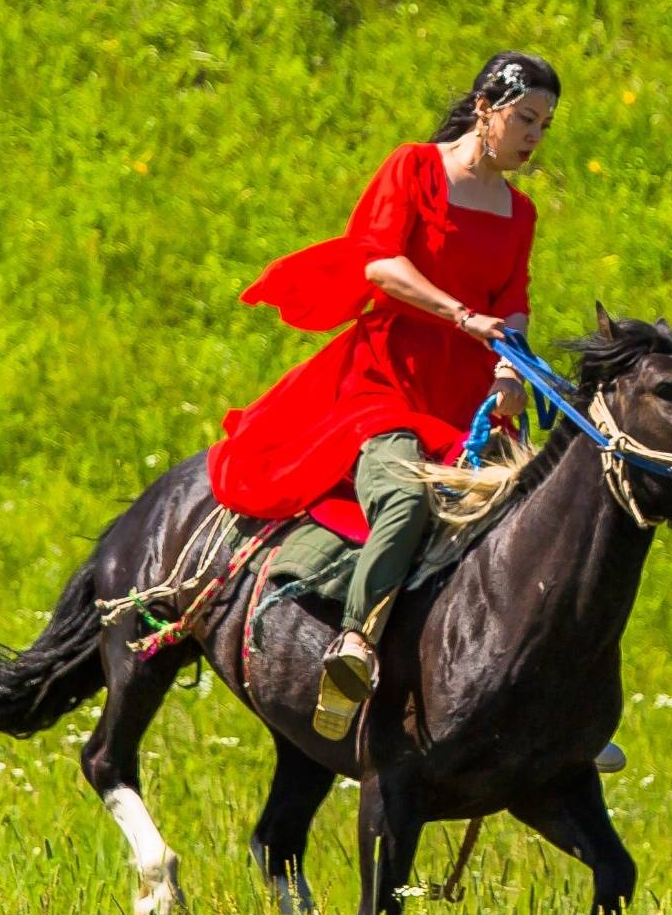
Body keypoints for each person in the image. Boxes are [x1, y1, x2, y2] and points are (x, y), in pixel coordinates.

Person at [210, 50, 554, 738]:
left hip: (468, 399)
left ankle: (552, 701)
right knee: (402, 495)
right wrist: (460, 315)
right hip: (386, 381)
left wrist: (510, 372)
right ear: (485, 106)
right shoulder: (415, 168)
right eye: (523, 118)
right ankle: (354, 647)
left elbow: (512, 303)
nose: (532, 137)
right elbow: (379, 261)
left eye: (544, 125)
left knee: (543, 524)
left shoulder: (519, 211)